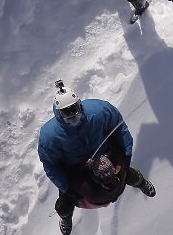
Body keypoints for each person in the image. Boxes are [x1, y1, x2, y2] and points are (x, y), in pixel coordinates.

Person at [38, 80, 156, 235]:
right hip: (77, 170)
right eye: (67, 112)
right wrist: (66, 187)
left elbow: (119, 128)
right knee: (64, 204)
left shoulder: (99, 110)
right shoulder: (50, 136)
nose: (73, 116)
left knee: (127, 175)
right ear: (59, 113)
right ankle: (66, 217)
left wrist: (125, 158)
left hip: (105, 157)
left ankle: (140, 182)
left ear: (79, 104)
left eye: (74, 109)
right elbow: (50, 164)